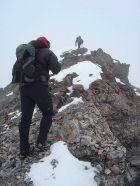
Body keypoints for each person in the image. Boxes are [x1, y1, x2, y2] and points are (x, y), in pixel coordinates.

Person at [19, 37, 61, 159]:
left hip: (24, 88)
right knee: (48, 113)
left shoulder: (26, 52)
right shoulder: (47, 52)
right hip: (38, 86)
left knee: (25, 119)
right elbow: (56, 69)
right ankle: (40, 143)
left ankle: (24, 150)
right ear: (46, 44)